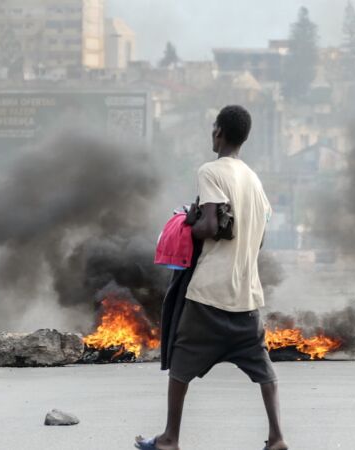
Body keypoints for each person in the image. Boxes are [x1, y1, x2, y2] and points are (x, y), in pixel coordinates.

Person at [136, 105, 287, 450]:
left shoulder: (210, 171)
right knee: (263, 370)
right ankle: (277, 436)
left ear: (218, 131)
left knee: (180, 362)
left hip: (209, 294)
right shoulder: (253, 179)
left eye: (213, 129)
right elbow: (258, 236)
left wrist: (187, 221)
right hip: (247, 296)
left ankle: (170, 438)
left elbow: (210, 226)